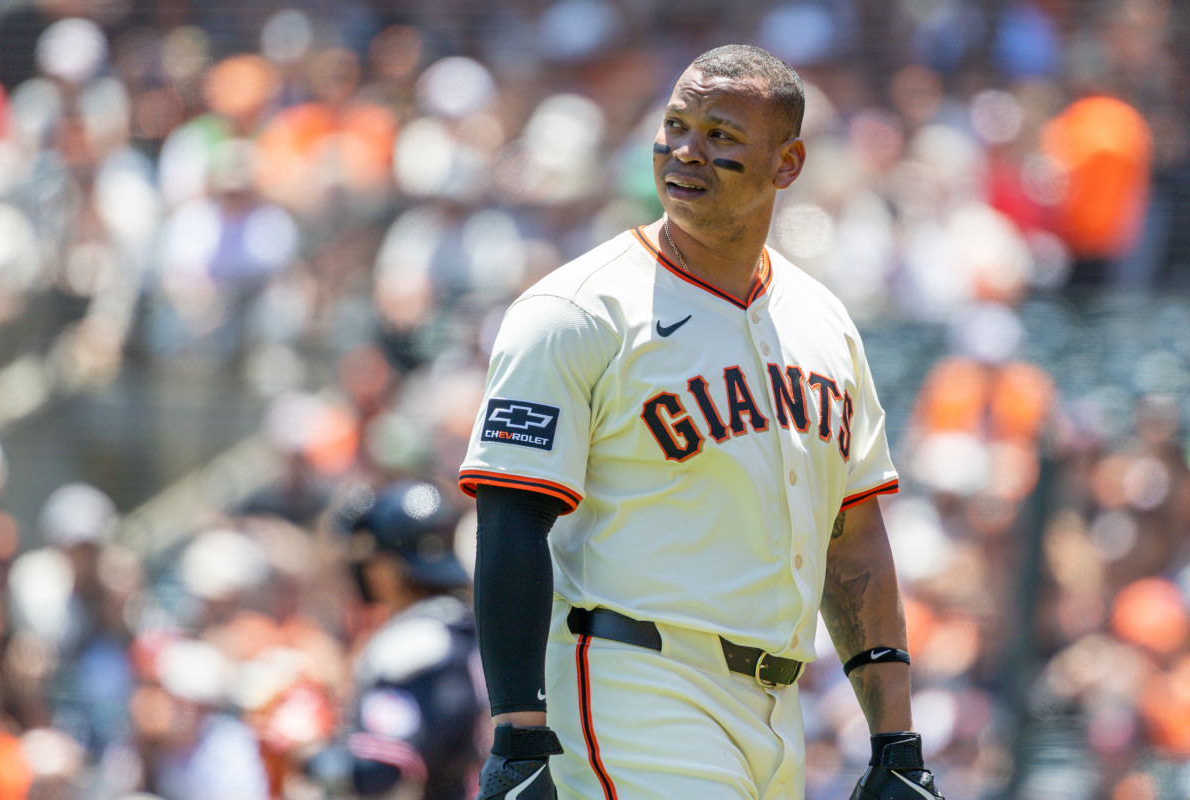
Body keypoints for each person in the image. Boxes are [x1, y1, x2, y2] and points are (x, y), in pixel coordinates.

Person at [458, 44, 944, 800]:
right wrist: (519, 740)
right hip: (632, 686)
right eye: (676, 125)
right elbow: (511, 518)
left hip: (777, 711)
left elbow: (852, 539)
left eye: (721, 135)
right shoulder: (577, 310)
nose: (686, 150)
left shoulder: (824, 321)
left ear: (787, 164)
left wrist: (896, 742)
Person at [308, 479, 486, 800]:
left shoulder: (415, 643)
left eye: (372, 557)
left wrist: (307, 756)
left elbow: (377, 771)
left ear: (392, 568)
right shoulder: (470, 627)